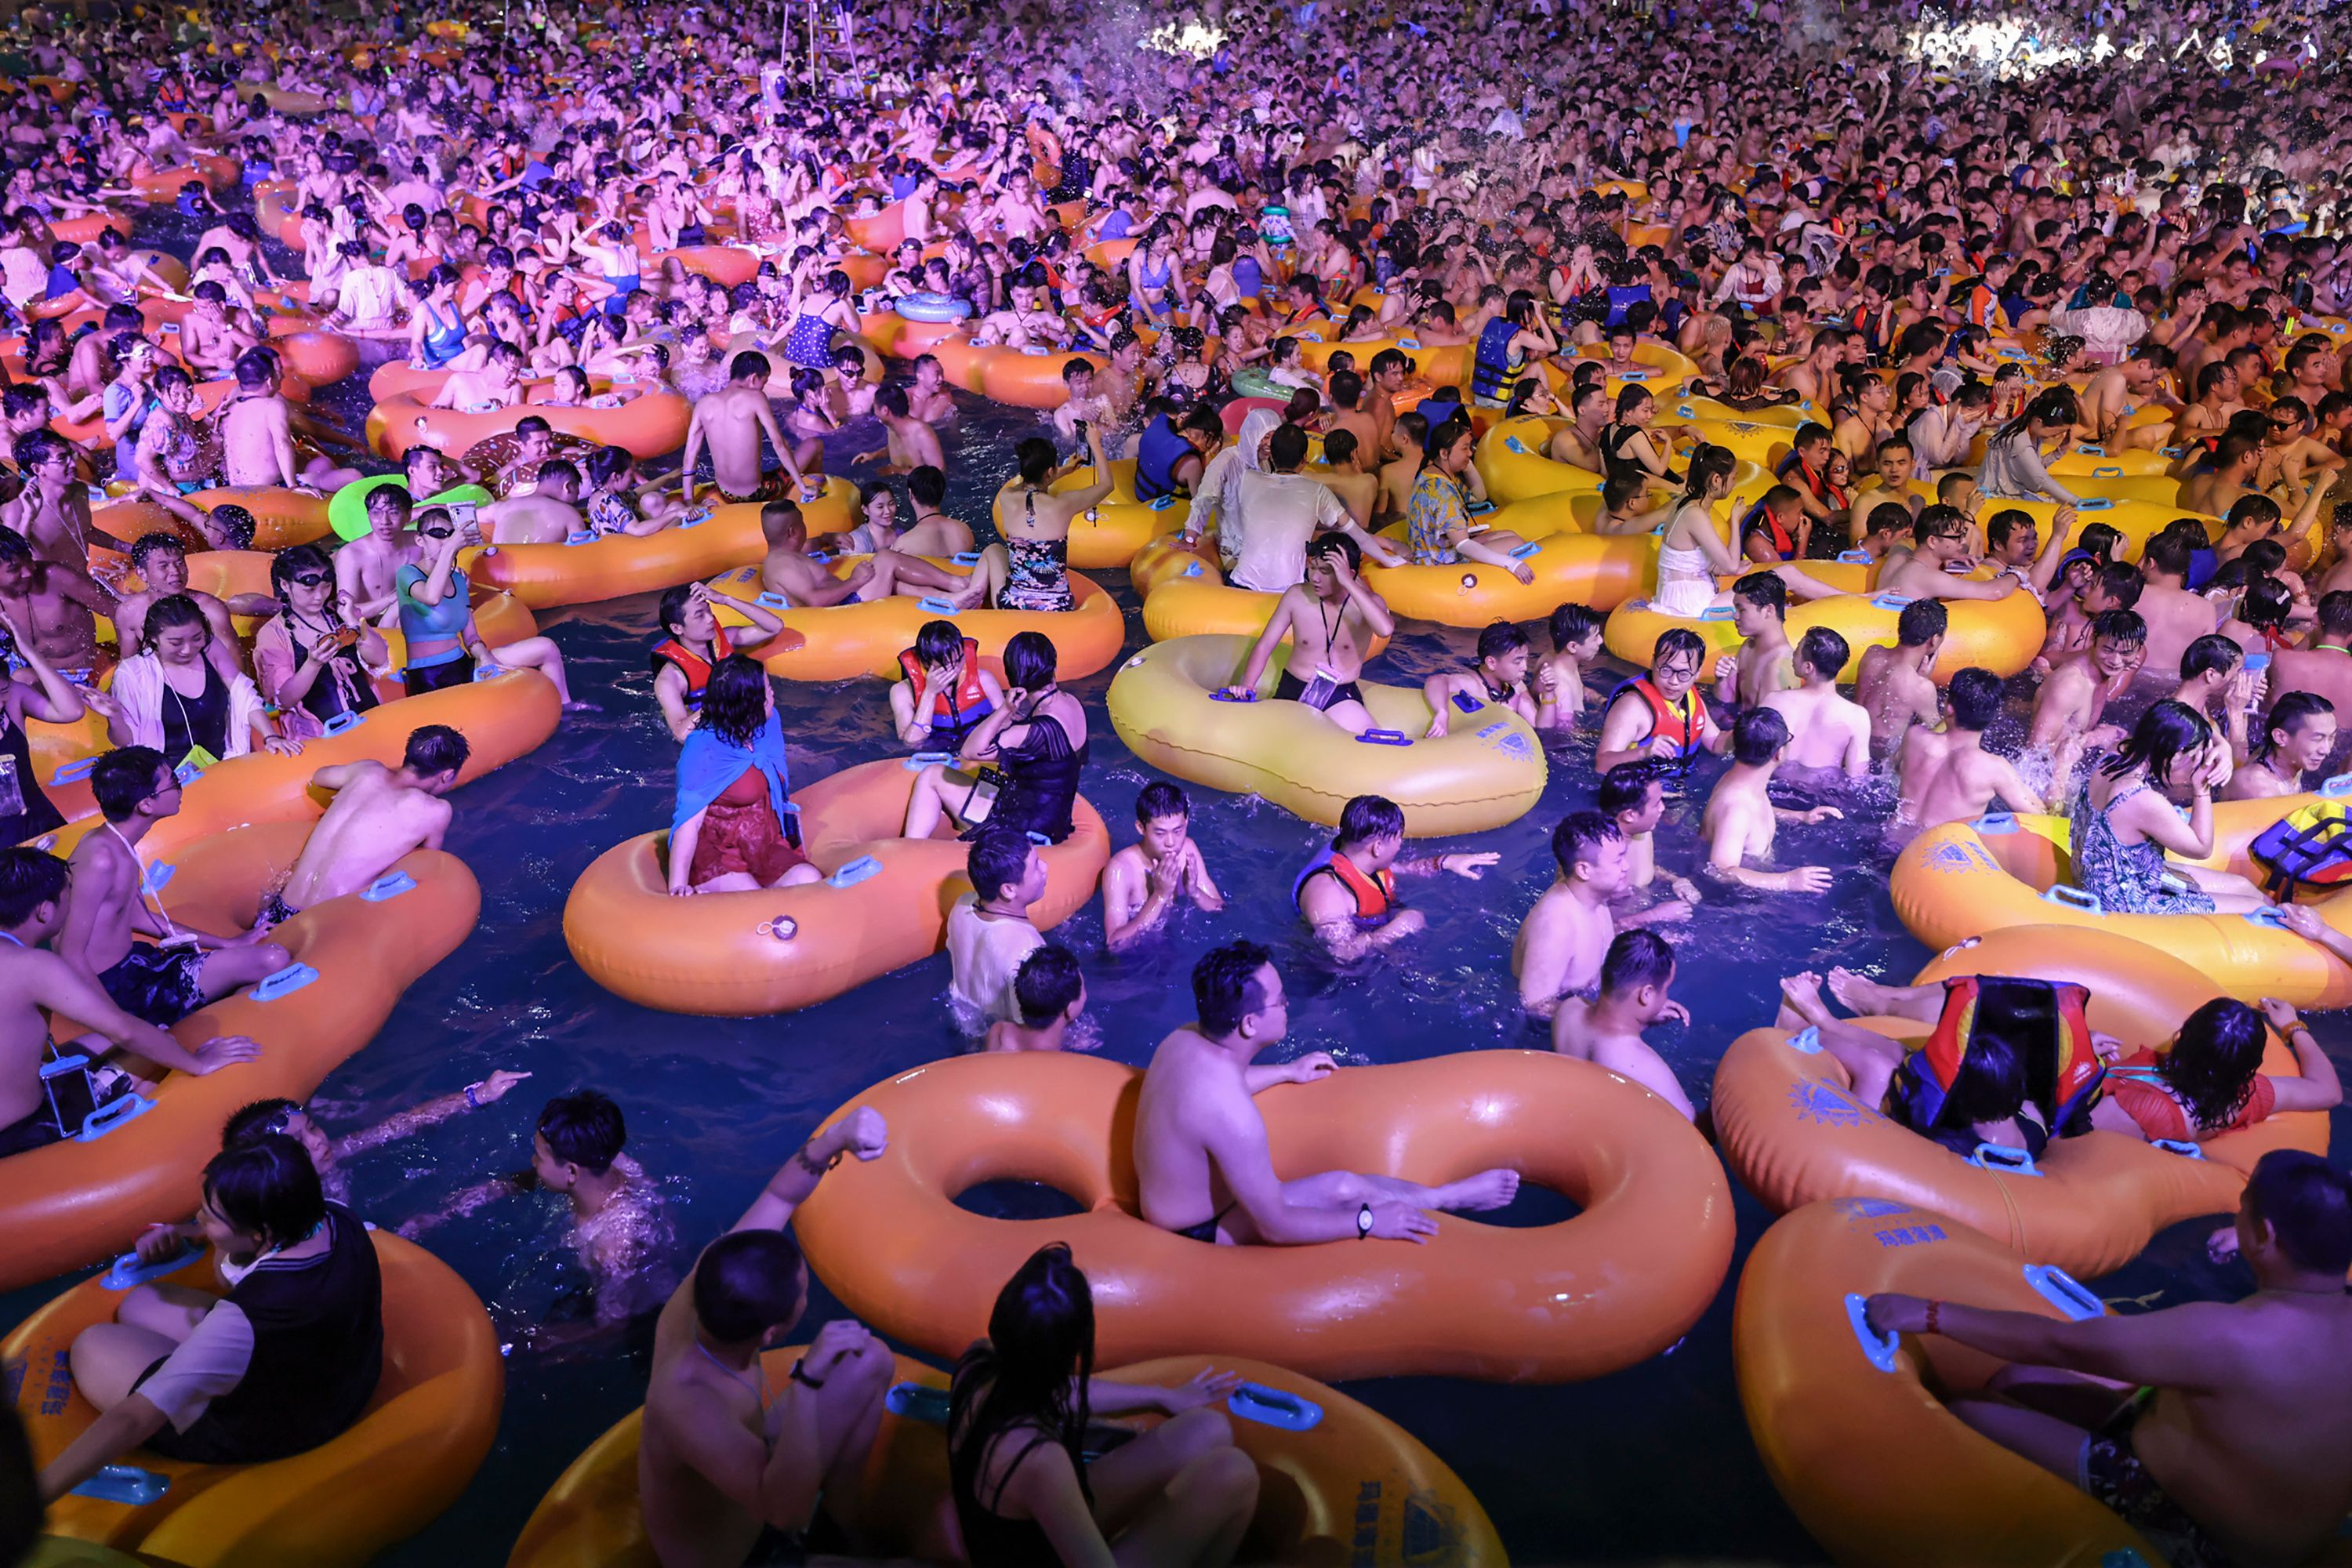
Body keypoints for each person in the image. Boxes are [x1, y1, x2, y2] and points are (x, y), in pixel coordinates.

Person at [1865, 1150, 2352, 1568]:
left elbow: (2063, 1343)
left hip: (2212, 1538)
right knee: (2017, 1380)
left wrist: (1931, 1314)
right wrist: (2245, 1235)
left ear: (2265, 1237)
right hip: (2248, 1488)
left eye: (2241, 1211)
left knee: (1970, 1411)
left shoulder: (2229, 1335)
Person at [637, 1108, 915, 1568]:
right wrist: (806, 1381)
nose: (807, 1291)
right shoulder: (689, 1401)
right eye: (804, 1293)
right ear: (771, 1333)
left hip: (751, 1477)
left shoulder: (717, 1275)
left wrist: (835, 1139)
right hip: (743, 1553)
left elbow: (780, 1196)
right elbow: (784, 1512)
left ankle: (839, 1523)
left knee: (869, 1360)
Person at [37, 1137, 383, 1498]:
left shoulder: (250, 1315)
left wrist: (34, 1498)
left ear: (258, 1233)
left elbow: (133, 1418)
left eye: (211, 1216)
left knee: (92, 1343)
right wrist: (191, 1235)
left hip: (269, 1429)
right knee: (140, 1304)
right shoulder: (335, 1217)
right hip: (335, 1382)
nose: (198, 1218)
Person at [1134, 941, 1519, 1244]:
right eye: (1279, 1001)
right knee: (1344, 1188)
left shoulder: (1182, 1039)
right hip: (1195, 1230)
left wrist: (1288, 1071)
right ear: (1250, 1024)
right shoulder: (1231, 1114)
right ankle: (1448, 1199)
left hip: (1165, 1202)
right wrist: (1367, 1222)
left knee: (1342, 1184)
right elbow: (1275, 1226)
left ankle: (1441, 1196)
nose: (1287, 1005)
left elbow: (1207, 1096)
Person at [949, 1243, 1260, 1567]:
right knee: (1235, 1474)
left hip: (1028, 1527)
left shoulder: (977, 1361)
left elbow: (1054, 1389)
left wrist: (1161, 1394)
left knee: (1208, 1429)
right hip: (1041, 1552)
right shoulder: (1039, 1460)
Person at [0, 848, 259, 1157]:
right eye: (67, 896)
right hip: (24, 1131)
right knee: (159, 1051)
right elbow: (123, 1031)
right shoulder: (34, 965)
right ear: (44, 911)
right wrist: (199, 1063)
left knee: (100, 1041)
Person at [56, 748, 292, 1027]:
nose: (180, 786)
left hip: (138, 965)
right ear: (146, 804)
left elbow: (137, 917)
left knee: (244, 972)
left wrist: (228, 943)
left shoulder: (116, 844)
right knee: (272, 959)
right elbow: (68, 951)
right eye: (173, 782)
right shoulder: (100, 859)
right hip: (121, 988)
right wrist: (117, 1024)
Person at [403, 1091, 674, 1326]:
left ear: (571, 1172)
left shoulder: (612, 1247)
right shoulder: (607, 1159)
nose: (533, 1162)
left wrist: (535, 1343)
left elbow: (610, 1324)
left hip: (641, 1313)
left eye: (540, 1157)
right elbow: (532, 1180)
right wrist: (459, 1206)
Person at [2071, 700, 2272, 916]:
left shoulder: (2116, 753)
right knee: (2259, 909)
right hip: (2127, 902)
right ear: (2176, 753)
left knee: (2242, 886)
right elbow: (2201, 849)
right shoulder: (2141, 799)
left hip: (2110, 879)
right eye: (2195, 757)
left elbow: (2174, 710)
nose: (2199, 764)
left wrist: (2222, 744)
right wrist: (2201, 788)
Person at [260, 726, 470, 927]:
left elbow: (320, 776)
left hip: (278, 907)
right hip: (324, 921)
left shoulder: (366, 771)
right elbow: (428, 864)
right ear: (447, 775)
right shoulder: (436, 810)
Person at [902, 632, 1089, 845]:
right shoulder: (1073, 704)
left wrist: (1004, 710)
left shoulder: (1030, 732)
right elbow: (1075, 765)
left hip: (1022, 827)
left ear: (1014, 677)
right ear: (1052, 665)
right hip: (1055, 819)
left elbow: (970, 751)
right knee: (988, 780)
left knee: (932, 776)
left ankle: (912, 849)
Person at [395, 507, 590, 706]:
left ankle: (566, 710)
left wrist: (484, 657)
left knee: (546, 648)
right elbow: (431, 596)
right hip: (429, 676)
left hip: (462, 665)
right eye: (438, 534)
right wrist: (449, 549)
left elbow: (471, 637)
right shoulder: (407, 574)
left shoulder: (458, 580)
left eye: (451, 534)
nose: (446, 540)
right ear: (420, 540)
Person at [669, 655, 821, 898]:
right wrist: (677, 886)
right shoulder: (704, 749)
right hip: (718, 846)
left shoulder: (768, 724)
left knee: (809, 879)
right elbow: (689, 820)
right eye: (768, 690)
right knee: (752, 898)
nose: (773, 695)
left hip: (761, 839)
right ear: (751, 703)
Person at [1223, 532, 1394, 735]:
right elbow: (1265, 645)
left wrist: (1348, 583)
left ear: (1349, 573)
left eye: (1325, 571)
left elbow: (1385, 630)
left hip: (1338, 695)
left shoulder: (1367, 604)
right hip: (1293, 688)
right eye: (1313, 568)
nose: (1315, 577)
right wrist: (1248, 686)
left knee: (1369, 745)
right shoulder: (1296, 596)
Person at [1293, 793, 1498, 962]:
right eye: (1398, 838)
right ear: (1377, 847)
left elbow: (1406, 869)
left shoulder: (1360, 857)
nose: (1401, 844)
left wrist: (1445, 861)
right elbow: (1341, 954)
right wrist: (1397, 929)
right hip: (1325, 974)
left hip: (1368, 933)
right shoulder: (1328, 891)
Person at [107, 596, 299, 765]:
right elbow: (125, 742)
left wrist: (270, 736)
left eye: (196, 638)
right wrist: (114, 716)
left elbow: (244, 694)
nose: (188, 649)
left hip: (223, 763)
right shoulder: (131, 673)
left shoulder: (210, 648)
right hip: (164, 778)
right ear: (153, 638)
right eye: (176, 643)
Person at [1550, 930, 1695, 1120]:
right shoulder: (1645, 1065)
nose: (1665, 997)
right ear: (1647, 995)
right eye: (1665, 990)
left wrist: (1644, 1020)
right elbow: (1697, 1132)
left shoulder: (1568, 1010)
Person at [252, 543, 387, 739]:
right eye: (310, 589)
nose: (319, 596)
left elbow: (380, 658)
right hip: (318, 736)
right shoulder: (273, 633)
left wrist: (353, 621)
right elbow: (283, 699)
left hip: (368, 720)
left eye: (326, 587)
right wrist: (312, 665)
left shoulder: (339, 614)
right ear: (284, 585)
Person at [1701, 710, 1841, 893]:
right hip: (1736, 902)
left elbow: (1753, 813)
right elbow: (1719, 871)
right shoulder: (1736, 811)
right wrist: (1786, 881)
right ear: (1779, 753)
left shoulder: (1743, 782)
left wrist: (1800, 816)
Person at [1895, 667, 2045, 829]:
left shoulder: (1915, 737)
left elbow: (1896, 768)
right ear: (1992, 717)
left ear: (1950, 708)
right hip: (1935, 850)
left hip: (1891, 838)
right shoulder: (1994, 769)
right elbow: (2039, 816)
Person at [651, 582, 786, 744]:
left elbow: (775, 627)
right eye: (700, 615)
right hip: (709, 737)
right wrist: (720, 700)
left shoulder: (726, 639)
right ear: (677, 628)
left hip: (741, 720)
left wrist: (725, 600)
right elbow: (680, 734)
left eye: (709, 611)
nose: (710, 619)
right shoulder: (670, 679)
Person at [2030, 608, 2147, 787]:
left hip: (2068, 766)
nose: (2115, 661)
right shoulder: (2071, 685)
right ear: (2093, 641)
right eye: (2108, 650)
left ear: (2138, 650)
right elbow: (2035, 754)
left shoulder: (2102, 670)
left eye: (2125, 653)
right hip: (2045, 781)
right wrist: (2096, 738)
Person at [1101, 781, 1222, 953]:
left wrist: (1194, 891)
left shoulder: (1187, 849)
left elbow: (1220, 910)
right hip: (1135, 959)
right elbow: (1115, 945)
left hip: (1175, 942)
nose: (1171, 843)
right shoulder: (1120, 869)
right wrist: (1160, 895)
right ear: (1141, 828)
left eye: (1178, 831)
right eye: (1160, 833)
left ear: (1186, 822)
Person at [679, 350, 812, 506]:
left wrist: (689, 503)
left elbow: (690, 456)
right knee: (813, 445)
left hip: (724, 492)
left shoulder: (703, 403)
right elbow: (779, 444)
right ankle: (803, 498)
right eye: (764, 382)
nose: (762, 388)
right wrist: (802, 486)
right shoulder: (756, 397)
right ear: (754, 378)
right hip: (756, 493)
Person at [948, 829, 1048, 1024]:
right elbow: (1030, 1028)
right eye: (1036, 865)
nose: (1045, 867)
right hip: (996, 1040)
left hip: (958, 1017)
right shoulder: (1028, 948)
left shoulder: (962, 905)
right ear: (1009, 890)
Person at [1595, 629, 1726, 774]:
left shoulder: (1692, 700)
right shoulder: (1632, 707)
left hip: (1676, 786)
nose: (1673, 681)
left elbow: (1715, 744)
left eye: (1684, 674)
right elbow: (1602, 764)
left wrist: (1743, 733)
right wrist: (1643, 753)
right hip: (1638, 791)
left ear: (1697, 673)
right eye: (1666, 670)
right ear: (1653, 663)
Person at [1762, 627, 1869, 778]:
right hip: (1821, 793)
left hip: (1775, 784)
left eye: (1797, 651)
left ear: (1808, 667)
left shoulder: (1774, 701)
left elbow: (1753, 756)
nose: (1793, 655)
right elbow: (1857, 777)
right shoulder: (1857, 716)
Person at [889, 619, 1004, 751]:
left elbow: (1007, 721)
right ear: (926, 664)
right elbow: (911, 743)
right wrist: (930, 693)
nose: (955, 670)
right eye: (946, 666)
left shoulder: (985, 680)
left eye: (959, 660)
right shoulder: (902, 692)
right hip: (935, 753)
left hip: (979, 748)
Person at [1422, 621, 1546, 737]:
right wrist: (1442, 712)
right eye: (1518, 661)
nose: (1525, 667)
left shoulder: (1517, 686)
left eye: (1526, 658)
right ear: (1491, 663)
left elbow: (1540, 728)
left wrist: (1550, 694)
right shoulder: (1471, 684)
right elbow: (1436, 680)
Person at [2225, 691, 2338, 800]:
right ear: (2280, 737)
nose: (2326, 750)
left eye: (2331, 737)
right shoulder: (2260, 790)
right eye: (2317, 739)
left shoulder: (2293, 761)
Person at [1715, 572, 1798, 710]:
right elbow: (1726, 704)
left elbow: (1769, 729)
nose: (1735, 616)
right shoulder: (1748, 647)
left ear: (1769, 610)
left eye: (1742, 610)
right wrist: (1722, 680)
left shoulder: (1779, 665)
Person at [982, 946, 1088, 1054]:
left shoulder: (999, 1034)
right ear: (1069, 1009)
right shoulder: (1061, 1062)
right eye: (1083, 989)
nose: (1086, 996)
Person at [1535, 602, 1605, 730]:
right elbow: (1567, 736)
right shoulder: (1562, 689)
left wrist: (1600, 700)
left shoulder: (1550, 657)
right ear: (1573, 646)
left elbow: (1579, 688)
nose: (1601, 641)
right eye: (1595, 638)